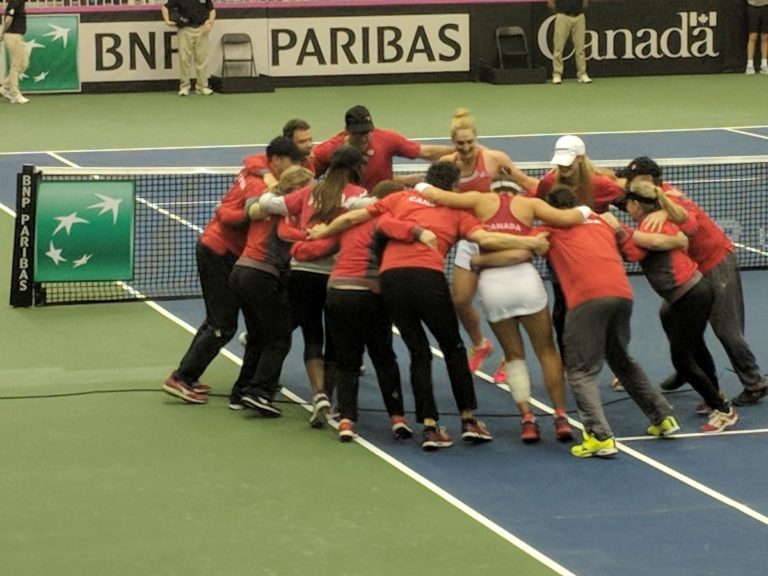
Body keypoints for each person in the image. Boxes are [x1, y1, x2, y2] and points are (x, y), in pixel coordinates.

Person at [308, 161, 549, 451]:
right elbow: (487, 238)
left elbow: (354, 217)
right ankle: (469, 420)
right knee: (453, 349)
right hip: (427, 279)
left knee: (419, 352)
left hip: (392, 282)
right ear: (453, 188)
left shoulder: (399, 197)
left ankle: (430, 427)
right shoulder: (458, 212)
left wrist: (322, 232)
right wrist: (531, 242)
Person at [489, 185, 678, 458]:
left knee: (579, 371)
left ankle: (599, 436)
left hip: (587, 299)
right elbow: (634, 253)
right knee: (620, 358)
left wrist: (481, 252)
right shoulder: (602, 221)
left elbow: (521, 249)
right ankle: (663, 419)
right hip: (622, 295)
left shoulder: (550, 230)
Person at [418, 172, 592, 443]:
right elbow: (568, 218)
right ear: (515, 191)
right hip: (526, 284)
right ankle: (560, 417)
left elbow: (436, 195)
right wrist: (586, 208)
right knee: (547, 351)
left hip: (494, 290)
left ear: (494, 190)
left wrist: (418, 184)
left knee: (514, 357)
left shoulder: (478, 200)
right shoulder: (530, 204)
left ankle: (528, 421)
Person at [163, 137, 305, 405]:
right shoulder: (257, 182)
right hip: (219, 251)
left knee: (218, 321)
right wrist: (249, 215)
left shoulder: (260, 169)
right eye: (290, 161)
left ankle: (187, 375)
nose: (294, 166)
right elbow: (230, 215)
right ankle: (181, 378)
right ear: (275, 160)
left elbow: (251, 167)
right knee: (222, 324)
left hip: (223, 252)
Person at [616, 156, 768, 407]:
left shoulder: (669, 200)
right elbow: (611, 184)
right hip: (694, 269)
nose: (627, 183)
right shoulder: (649, 197)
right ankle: (688, 366)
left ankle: (754, 382)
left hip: (715, 261)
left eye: (632, 179)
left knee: (727, 330)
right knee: (671, 316)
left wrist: (666, 214)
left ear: (646, 180)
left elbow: (692, 226)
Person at [605, 180, 738, 433]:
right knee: (695, 348)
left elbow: (635, 253)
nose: (626, 209)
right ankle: (714, 396)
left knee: (683, 358)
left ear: (635, 204)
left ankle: (724, 410)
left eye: (627, 204)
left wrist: (618, 230)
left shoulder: (652, 224)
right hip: (689, 293)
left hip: (691, 295)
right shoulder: (651, 222)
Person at [291, 180, 415, 442]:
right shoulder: (387, 224)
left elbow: (316, 248)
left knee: (347, 360)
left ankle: (347, 421)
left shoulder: (348, 222)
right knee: (383, 358)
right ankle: (397, 418)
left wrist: (299, 245)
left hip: (337, 294)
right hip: (369, 295)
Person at [259, 146, 370, 428]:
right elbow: (380, 207)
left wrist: (273, 189)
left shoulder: (310, 192)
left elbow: (269, 203)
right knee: (335, 341)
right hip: (336, 276)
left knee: (312, 337)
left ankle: (318, 393)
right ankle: (330, 402)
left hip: (303, 273)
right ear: (355, 169)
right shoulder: (358, 197)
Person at [440, 108, 533, 384]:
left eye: (470, 142)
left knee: (504, 304)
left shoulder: (494, 160)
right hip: (469, 240)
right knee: (460, 300)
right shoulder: (448, 165)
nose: (466, 148)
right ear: (453, 143)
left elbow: (524, 185)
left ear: (476, 139)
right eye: (460, 143)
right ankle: (480, 344)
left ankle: (511, 356)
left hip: (498, 241)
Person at [227, 140, 308, 417]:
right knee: (279, 337)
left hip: (240, 272)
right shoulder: (288, 212)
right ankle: (259, 392)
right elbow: (289, 236)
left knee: (259, 337)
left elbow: (252, 208)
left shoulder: (265, 200)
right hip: (260, 275)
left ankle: (240, 393)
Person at [312, 105, 454, 192]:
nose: (363, 138)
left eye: (366, 133)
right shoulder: (329, 150)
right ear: (347, 131)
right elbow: (305, 176)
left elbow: (426, 152)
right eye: (357, 134)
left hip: (382, 200)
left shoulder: (387, 139)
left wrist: (462, 150)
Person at [161, 0, 216, 96]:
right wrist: (167, 21)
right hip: (184, 29)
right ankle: (184, 87)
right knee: (184, 59)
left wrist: (210, 22)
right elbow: (164, 7)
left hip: (202, 29)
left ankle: (202, 87)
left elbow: (212, 10)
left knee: (202, 59)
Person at [548, 0, 591, 85]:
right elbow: (550, 3)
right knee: (558, 48)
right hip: (562, 15)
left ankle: (582, 74)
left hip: (579, 16)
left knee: (580, 48)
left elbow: (585, 3)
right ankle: (557, 74)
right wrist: (558, 9)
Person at [0, 0, 30, 104]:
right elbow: (8, 20)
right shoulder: (15, 1)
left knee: (24, 64)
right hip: (13, 36)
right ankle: (15, 93)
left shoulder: (20, 2)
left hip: (19, 36)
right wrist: (2, 34)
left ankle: (5, 87)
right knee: (16, 65)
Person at [746, 0, 768, 74]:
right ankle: (750, 65)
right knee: (753, 36)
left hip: (766, 7)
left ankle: (764, 64)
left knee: (765, 36)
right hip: (752, 7)